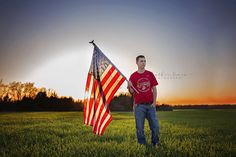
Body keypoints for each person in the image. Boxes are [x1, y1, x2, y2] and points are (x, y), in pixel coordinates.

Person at [127, 55, 160, 146]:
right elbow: (132, 92)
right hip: (139, 106)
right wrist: (129, 86)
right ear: (137, 63)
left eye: (145, 61)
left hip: (150, 105)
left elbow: (154, 89)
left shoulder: (150, 74)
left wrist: (154, 102)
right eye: (141, 61)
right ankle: (142, 144)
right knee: (140, 128)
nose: (143, 63)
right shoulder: (133, 76)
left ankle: (155, 143)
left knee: (155, 126)